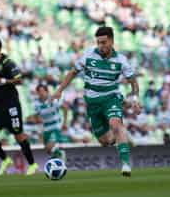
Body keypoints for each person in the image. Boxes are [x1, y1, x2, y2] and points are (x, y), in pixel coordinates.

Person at [51, 26, 141, 177]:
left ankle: (125, 164)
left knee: (115, 124)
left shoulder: (121, 61)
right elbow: (73, 72)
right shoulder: (88, 55)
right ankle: (123, 136)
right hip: (93, 104)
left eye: (104, 42)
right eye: (98, 42)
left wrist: (135, 99)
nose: (101, 46)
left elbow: (133, 81)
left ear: (111, 41)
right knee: (105, 141)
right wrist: (59, 90)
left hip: (111, 98)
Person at [0, 37, 38, 176]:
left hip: (11, 105)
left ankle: (32, 164)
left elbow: (19, 79)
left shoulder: (8, 63)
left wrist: (0, 80)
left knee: (18, 136)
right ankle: (5, 159)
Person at [32, 84, 67, 161]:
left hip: (55, 126)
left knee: (50, 146)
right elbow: (36, 117)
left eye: (42, 91)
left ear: (47, 91)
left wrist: (64, 123)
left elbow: (65, 107)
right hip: (46, 127)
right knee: (48, 150)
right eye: (39, 91)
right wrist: (39, 128)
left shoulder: (53, 99)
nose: (41, 93)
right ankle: (58, 158)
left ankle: (60, 154)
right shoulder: (36, 104)